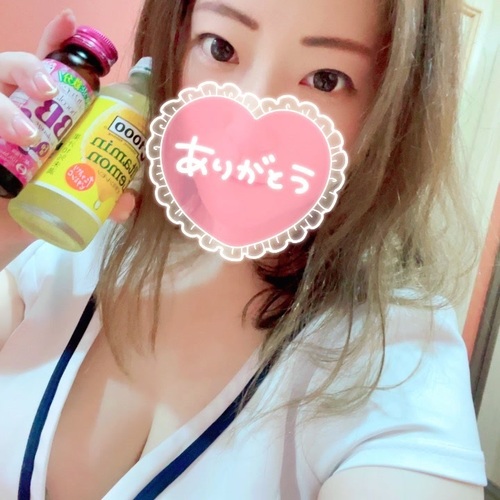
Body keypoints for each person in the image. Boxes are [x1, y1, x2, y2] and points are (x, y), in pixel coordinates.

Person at [0, 1, 487, 498]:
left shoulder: (397, 355)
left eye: (326, 80)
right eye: (220, 48)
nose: (246, 128)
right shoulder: (69, 246)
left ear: (390, 112)